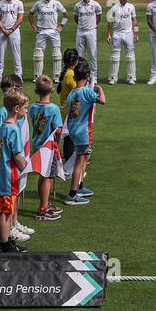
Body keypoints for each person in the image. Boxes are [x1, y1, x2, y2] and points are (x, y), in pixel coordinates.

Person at [0, 86, 30, 252]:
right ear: (17, 109)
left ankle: (7, 241)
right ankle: (4, 245)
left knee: (7, 210)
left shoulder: (2, 127)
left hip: (1, 175)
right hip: (9, 177)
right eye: (25, 108)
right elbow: (18, 156)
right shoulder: (13, 130)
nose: (26, 111)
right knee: (6, 213)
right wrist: (30, 168)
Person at [64, 62, 105, 206]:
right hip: (83, 132)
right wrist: (99, 88)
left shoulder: (72, 93)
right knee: (79, 163)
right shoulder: (86, 92)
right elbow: (102, 101)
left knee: (85, 157)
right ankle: (72, 194)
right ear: (87, 77)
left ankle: (80, 187)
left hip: (73, 130)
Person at [28, 76, 64, 222]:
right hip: (48, 147)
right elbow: (59, 130)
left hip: (37, 144)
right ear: (52, 89)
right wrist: (57, 144)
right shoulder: (54, 109)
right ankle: (43, 208)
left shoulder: (33, 107)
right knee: (48, 177)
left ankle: (44, 203)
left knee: (43, 176)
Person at [29, 0, 66, 81]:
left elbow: (65, 14)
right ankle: (37, 76)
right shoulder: (38, 3)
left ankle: (57, 76)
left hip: (54, 30)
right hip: (41, 30)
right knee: (38, 53)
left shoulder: (56, 3)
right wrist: (33, 26)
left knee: (56, 53)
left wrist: (61, 25)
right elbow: (30, 14)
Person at [106, 0, 138, 85]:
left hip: (128, 33)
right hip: (117, 33)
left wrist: (136, 33)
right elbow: (110, 22)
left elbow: (134, 20)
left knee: (130, 57)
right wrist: (108, 34)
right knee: (114, 57)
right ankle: (113, 77)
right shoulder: (114, 8)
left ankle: (131, 77)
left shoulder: (131, 7)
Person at [0, 0, 25, 81]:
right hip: (2, 31)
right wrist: (3, 29)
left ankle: (18, 76)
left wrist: (11, 29)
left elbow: (20, 18)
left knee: (16, 54)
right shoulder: (0, 3)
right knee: (0, 55)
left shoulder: (19, 3)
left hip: (14, 31)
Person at [73, 0, 103, 71]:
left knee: (93, 54)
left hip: (91, 31)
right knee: (79, 55)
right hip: (80, 31)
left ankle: (94, 77)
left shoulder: (96, 5)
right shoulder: (78, 5)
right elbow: (76, 18)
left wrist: (93, 25)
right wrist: (81, 26)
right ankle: (79, 75)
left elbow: (99, 17)